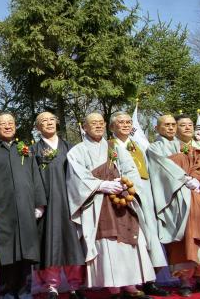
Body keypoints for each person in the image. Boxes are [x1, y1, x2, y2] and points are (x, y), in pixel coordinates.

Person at [66, 112, 156, 299]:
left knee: (129, 240)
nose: (98, 126)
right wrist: (101, 185)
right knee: (107, 243)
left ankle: (131, 284)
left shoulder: (115, 147)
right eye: (93, 123)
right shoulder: (77, 151)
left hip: (121, 199)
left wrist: (125, 184)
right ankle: (113, 287)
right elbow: (77, 177)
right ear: (84, 127)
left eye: (101, 122)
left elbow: (130, 169)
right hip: (97, 202)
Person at [147, 114, 200, 297]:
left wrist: (198, 178)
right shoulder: (155, 147)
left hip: (198, 196)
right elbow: (161, 169)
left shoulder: (195, 148)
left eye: (190, 125)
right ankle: (185, 280)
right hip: (175, 198)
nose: (186, 128)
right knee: (183, 238)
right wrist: (184, 178)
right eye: (179, 125)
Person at [0, 111, 46, 299]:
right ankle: (7, 295)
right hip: (2, 213)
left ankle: (25, 294)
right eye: (3, 123)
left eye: (11, 122)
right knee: (6, 256)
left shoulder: (25, 147)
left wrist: (39, 204)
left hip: (26, 211)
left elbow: (36, 176)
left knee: (27, 255)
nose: (8, 126)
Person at [109, 112, 169, 297]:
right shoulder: (109, 147)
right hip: (124, 198)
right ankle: (128, 283)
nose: (126, 125)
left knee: (150, 238)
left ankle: (150, 281)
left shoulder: (138, 146)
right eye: (121, 122)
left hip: (145, 196)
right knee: (132, 241)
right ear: (112, 127)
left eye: (128, 122)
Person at [31, 112, 86, 299]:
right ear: (38, 127)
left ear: (57, 122)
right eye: (43, 121)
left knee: (73, 245)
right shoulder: (33, 151)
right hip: (47, 205)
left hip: (70, 203)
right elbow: (32, 180)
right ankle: (51, 287)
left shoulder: (70, 148)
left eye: (51, 120)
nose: (48, 123)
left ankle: (75, 286)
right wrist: (38, 203)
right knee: (49, 244)